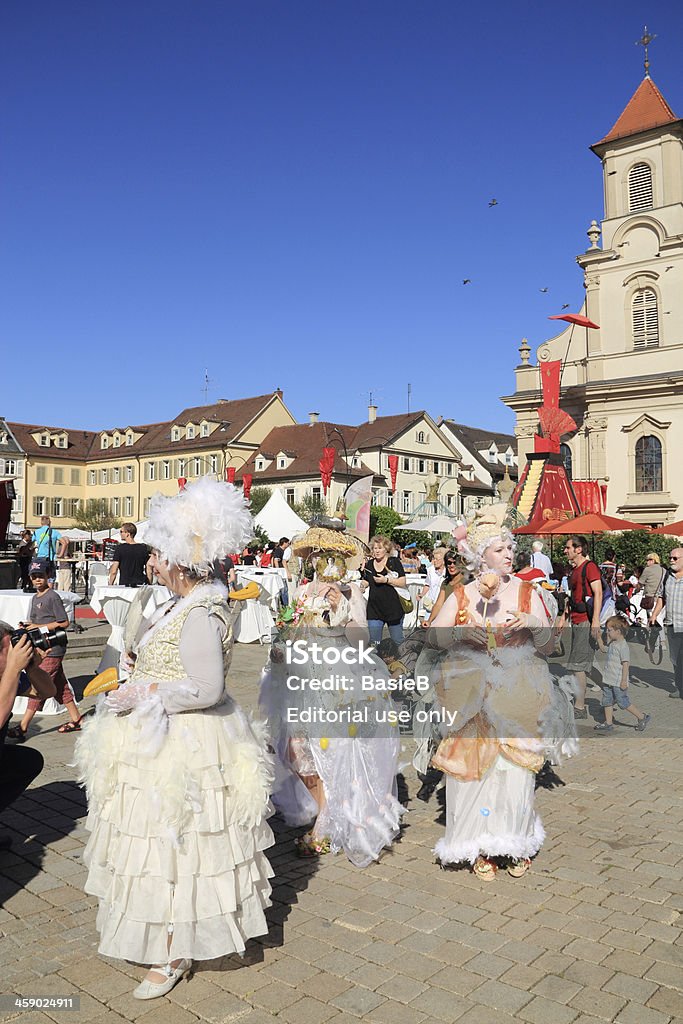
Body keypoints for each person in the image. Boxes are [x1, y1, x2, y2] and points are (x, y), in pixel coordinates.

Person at [74, 478, 275, 999]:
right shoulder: (169, 604)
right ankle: (166, 933)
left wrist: (144, 690)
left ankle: (177, 945)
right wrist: (133, 670)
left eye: (159, 552)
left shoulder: (204, 610)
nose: (151, 560)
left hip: (188, 743)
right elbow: (153, 658)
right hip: (153, 734)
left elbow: (208, 688)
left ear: (180, 559)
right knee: (153, 841)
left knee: (181, 841)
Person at [420, 504, 576, 880]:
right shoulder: (462, 595)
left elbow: (550, 647)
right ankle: (479, 846)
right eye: (499, 550)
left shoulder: (527, 591)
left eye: (509, 549)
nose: (509, 555)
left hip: (517, 692)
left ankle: (514, 841)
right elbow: (432, 636)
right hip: (471, 694)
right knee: (475, 772)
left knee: (515, 771)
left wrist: (534, 622)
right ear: (480, 556)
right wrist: (459, 633)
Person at [260, 530, 402, 865]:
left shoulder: (352, 591)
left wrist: (342, 609)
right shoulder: (304, 590)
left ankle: (327, 818)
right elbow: (291, 626)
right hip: (301, 676)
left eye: (332, 558)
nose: (325, 564)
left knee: (331, 749)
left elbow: (361, 638)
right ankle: (321, 807)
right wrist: (280, 647)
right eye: (319, 557)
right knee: (295, 750)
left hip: (337, 679)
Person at [7, 560, 82, 739]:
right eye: (34, 577)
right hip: (42, 647)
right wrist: (27, 626)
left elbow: (64, 622)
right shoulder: (35, 598)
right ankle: (77, 719)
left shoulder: (52, 597)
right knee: (60, 686)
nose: (37, 580)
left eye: (41, 575)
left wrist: (41, 627)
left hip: (53, 648)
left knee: (38, 686)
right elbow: (33, 621)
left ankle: (23, 726)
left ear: (48, 575)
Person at [0, 624, 56, 850]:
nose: (17, 654)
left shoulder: (7, 674)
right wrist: (13, 670)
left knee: (28, 761)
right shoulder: (8, 673)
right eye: (11, 649)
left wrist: (31, 668)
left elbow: (47, 692)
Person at [559, 536, 602, 719]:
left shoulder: (589, 567)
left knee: (578, 665)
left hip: (586, 620)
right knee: (585, 664)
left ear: (578, 549)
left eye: (567, 547)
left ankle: (580, 707)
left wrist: (596, 621)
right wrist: (563, 617)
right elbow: (572, 597)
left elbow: (598, 592)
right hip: (577, 620)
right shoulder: (574, 570)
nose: (564, 550)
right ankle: (610, 689)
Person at [594, 616, 650, 733]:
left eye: (609, 630)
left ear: (618, 632)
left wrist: (624, 681)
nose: (607, 633)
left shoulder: (623, 647)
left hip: (618, 681)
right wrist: (599, 639)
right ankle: (608, 723)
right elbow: (604, 650)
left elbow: (626, 664)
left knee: (622, 702)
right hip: (608, 679)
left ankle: (642, 717)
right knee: (607, 701)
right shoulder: (613, 643)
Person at [360, 535, 406, 645]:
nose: (377, 551)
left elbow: (402, 582)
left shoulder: (393, 562)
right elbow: (368, 580)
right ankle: (376, 662)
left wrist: (386, 580)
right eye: (375, 548)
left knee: (397, 640)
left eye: (380, 548)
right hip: (374, 609)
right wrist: (363, 585)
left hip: (393, 608)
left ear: (386, 549)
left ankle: (401, 661)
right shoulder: (369, 564)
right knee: (374, 642)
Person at [650, 547, 683, 698]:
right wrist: (654, 615)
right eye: (670, 557)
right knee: (675, 659)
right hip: (671, 624)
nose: (671, 560)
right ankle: (680, 687)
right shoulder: (667, 576)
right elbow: (661, 598)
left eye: (675, 558)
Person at [422, 552, 466, 627]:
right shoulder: (445, 583)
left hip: (462, 622)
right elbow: (439, 604)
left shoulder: (467, 581)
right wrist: (429, 621)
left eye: (455, 563)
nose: (452, 565)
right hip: (446, 622)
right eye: (449, 563)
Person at [32, 515, 62, 582]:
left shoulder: (36, 532)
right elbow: (65, 542)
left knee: (40, 578)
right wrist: (60, 554)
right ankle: (49, 592)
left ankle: (42, 591)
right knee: (50, 579)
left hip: (40, 559)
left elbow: (30, 543)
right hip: (50, 558)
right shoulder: (54, 532)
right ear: (49, 522)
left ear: (41, 522)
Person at [419, 547, 447, 616]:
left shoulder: (448, 572)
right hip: (430, 605)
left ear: (443, 561)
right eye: (434, 558)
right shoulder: (430, 570)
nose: (434, 561)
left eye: (437, 559)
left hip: (443, 606)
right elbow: (427, 584)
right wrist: (421, 594)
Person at [639, 552, 666, 618]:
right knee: (659, 619)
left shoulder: (647, 569)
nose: (647, 562)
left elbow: (640, 583)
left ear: (653, 560)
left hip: (650, 599)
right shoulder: (664, 570)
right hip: (661, 600)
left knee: (650, 619)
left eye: (648, 560)